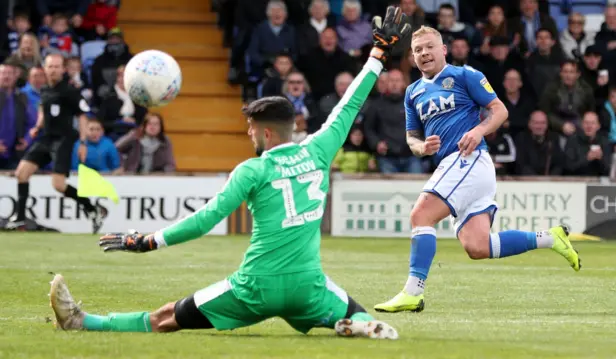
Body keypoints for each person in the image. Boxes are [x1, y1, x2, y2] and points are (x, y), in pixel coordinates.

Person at [47, 6, 411, 340]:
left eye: (252, 127)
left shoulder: (253, 169)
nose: (249, 133)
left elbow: (206, 219)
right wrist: (378, 54)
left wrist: (149, 240)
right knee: (357, 312)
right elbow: (350, 104)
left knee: (166, 318)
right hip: (308, 288)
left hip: (255, 288)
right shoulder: (320, 149)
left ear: (266, 132)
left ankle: (83, 320)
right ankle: (351, 325)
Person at [374, 25, 582, 314]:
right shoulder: (413, 92)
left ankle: (413, 292)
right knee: (477, 247)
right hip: (455, 166)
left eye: (429, 47)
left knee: (420, 215)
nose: (424, 53)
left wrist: (478, 131)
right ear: (412, 57)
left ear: (443, 50)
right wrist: (421, 148)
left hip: (468, 160)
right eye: (417, 50)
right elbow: (411, 137)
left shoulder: (464, 75)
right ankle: (550, 238)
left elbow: (500, 110)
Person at [6, 53, 108, 233]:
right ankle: (20, 219)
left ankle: (93, 209)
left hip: (63, 139)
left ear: (63, 69)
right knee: (22, 173)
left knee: (58, 185)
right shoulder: (45, 89)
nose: (53, 70)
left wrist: (83, 143)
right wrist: (37, 126)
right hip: (46, 138)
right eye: (50, 66)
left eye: (56, 66)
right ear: (45, 68)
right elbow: (43, 110)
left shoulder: (70, 91)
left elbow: (83, 115)